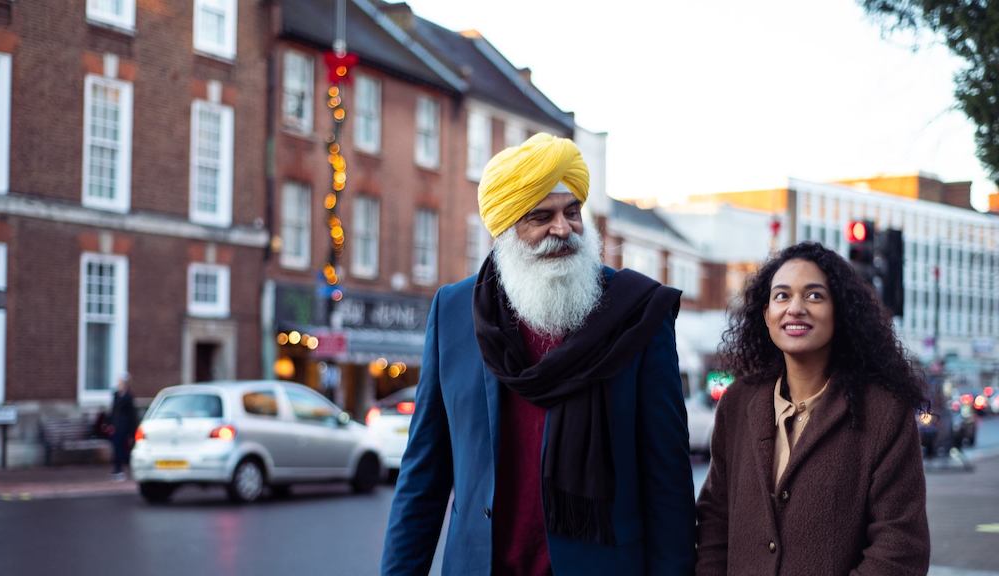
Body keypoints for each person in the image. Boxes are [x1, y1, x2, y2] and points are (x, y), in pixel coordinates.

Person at [382, 133, 696, 575]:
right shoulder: (453, 312)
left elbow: (668, 485)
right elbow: (423, 476)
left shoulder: (638, 312)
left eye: (572, 212)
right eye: (541, 216)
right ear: (505, 230)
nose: (563, 229)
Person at [695, 242, 930, 575]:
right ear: (766, 314)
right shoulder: (738, 402)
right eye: (782, 296)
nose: (795, 308)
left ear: (840, 311)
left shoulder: (884, 412)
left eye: (814, 296)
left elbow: (900, 546)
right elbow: (715, 520)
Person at [110, 373, 138, 480]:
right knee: (116, 448)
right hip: (116, 427)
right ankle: (117, 469)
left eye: (121, 383)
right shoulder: (116, 395)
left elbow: (132, 414)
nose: (119, 384)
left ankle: (123, 469)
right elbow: (113, 411)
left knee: (124, 449)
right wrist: (110, 424)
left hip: (125, 427)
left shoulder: (129, 397)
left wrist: (132, 431)